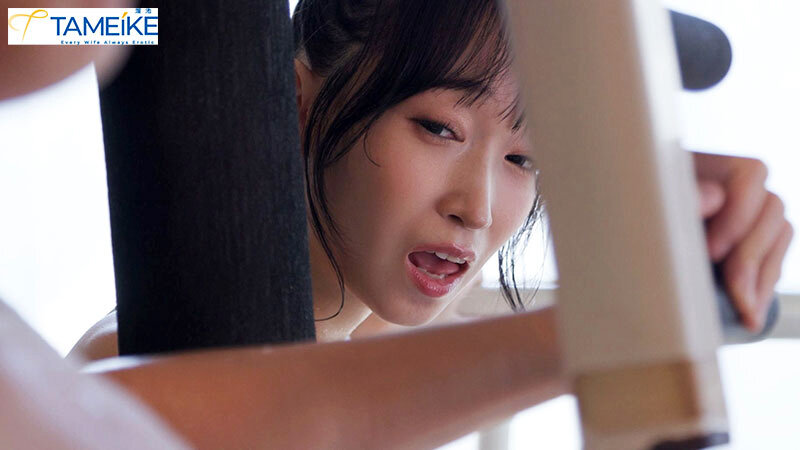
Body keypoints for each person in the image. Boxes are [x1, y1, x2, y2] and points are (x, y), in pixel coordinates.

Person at [65, 0, 791, 447]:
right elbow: (38, 26)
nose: (477, 208)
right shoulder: (128, 364)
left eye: (524, 158)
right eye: (438, 128)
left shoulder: (382, 343)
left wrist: (646, 229)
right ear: (294, 105)